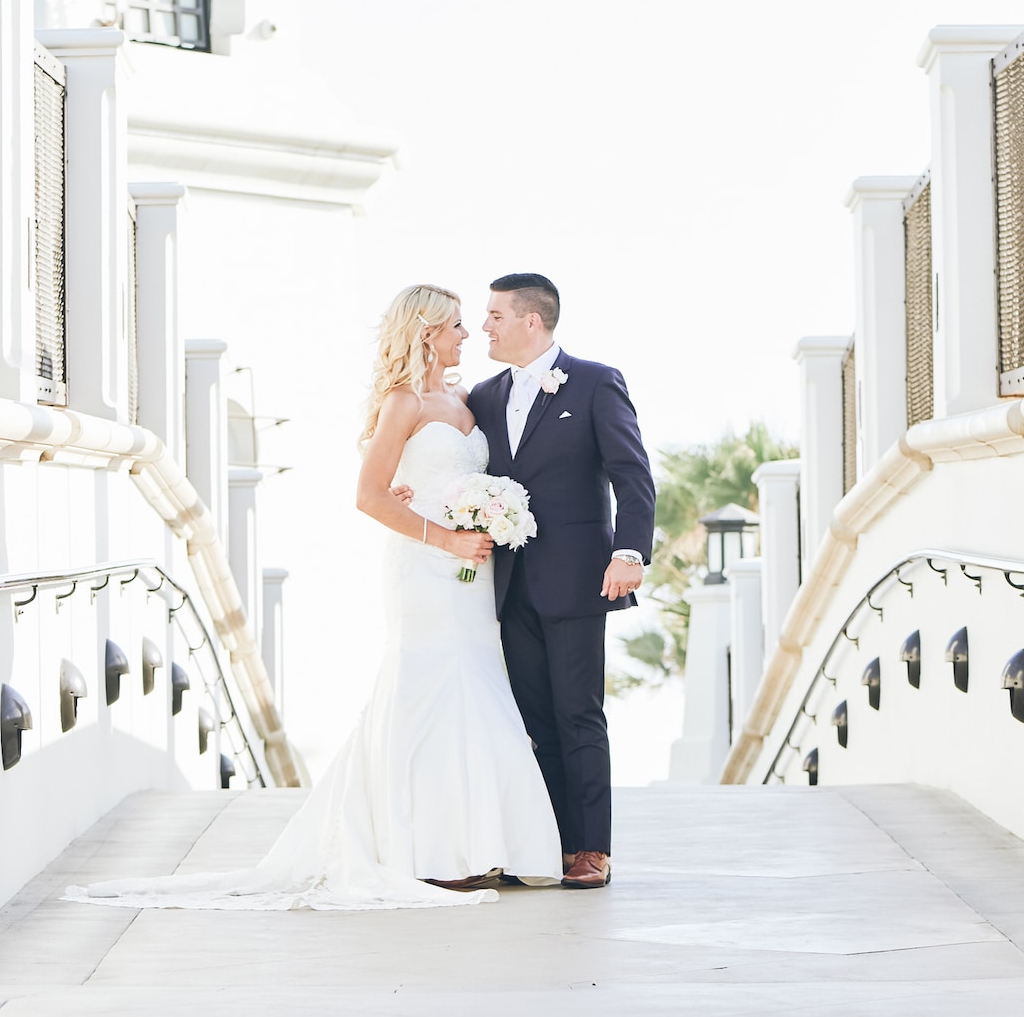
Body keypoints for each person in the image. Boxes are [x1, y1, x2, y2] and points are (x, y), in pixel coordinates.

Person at [65, 284, 561, 910]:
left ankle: (480, 844)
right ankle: (425, 852)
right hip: (425, 569)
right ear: (426, 332)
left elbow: (457, 478)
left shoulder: (466, 398)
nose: (468, 335)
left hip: (471, 569)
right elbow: (370, 495)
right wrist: (445, 538)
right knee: (430, 687)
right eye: (457, 325)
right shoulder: (402, 402)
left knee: (478, 682)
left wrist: (487, 519)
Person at [465, 273, 655, 891]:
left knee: (578, 714)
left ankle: (589, 849)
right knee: (531, 718)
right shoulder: (484, 396)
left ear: (531, 321)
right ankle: (545, 846)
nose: (484, 326)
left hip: (579, 580)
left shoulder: (597, 382)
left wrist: (629, 551)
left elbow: (633, 475)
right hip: (508, 581)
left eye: (495, 315)